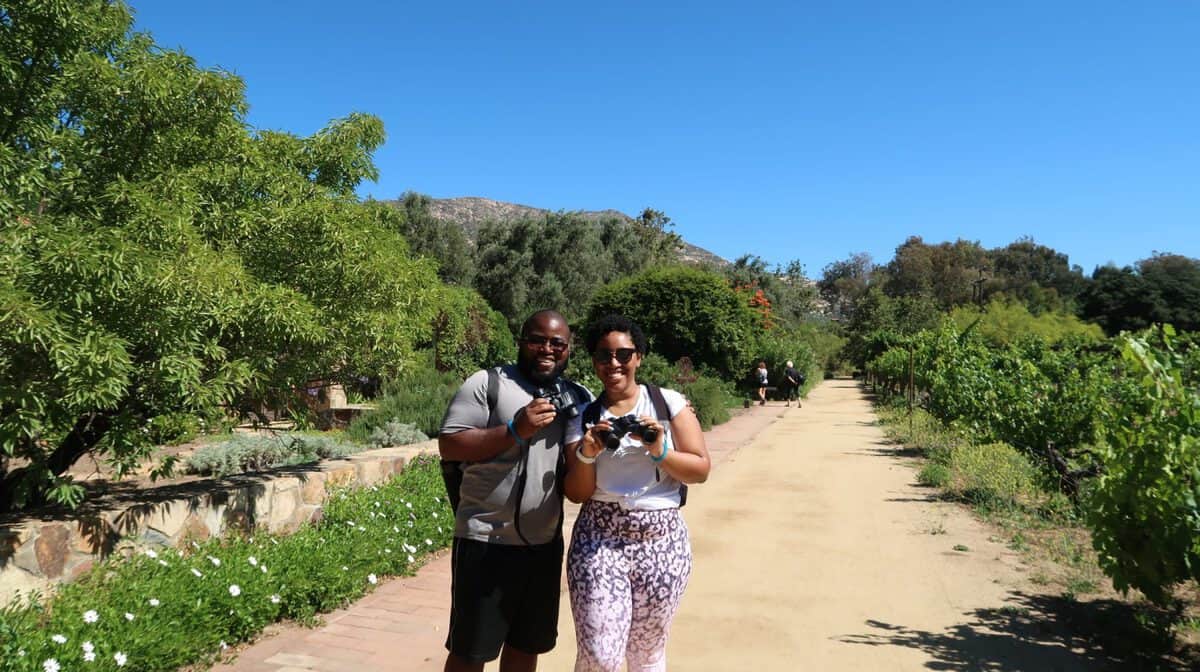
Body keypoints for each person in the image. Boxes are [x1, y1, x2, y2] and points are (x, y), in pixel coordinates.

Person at [438, 309, 591, 672]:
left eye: (558, 343)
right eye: (538, 340)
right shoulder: (486, 383)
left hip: (543, 546)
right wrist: (513, 430)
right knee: (470, 651)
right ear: (521, 341)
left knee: (526, 646)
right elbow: (451, 444)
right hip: (485, 542)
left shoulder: (578, 397)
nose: (547, 349)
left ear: (568, 350)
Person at [563, 314, 712, 672]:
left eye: (623, 354)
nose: (613, 363)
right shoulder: (583, 416)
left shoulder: (668, 403)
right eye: (603, 356)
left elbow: (701, 469)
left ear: (639, 357)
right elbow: (577, 494)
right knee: (600, 654)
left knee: (647, 653)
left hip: (661, 541)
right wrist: (587, 453)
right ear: (594, 361)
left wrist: (659, 449)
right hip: (599, 539)